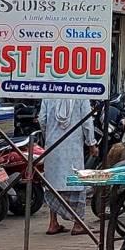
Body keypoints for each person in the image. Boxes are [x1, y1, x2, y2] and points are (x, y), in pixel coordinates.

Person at [39, 99, 97, 235]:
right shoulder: (81, 94)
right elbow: (87, 122)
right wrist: (91, 144)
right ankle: (78, 224)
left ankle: (53, 223)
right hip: (73, 146)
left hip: (52, 144)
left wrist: (49, 136)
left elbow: (42, 119)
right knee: (76, 183)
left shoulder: (49, 93)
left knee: (53, 184)